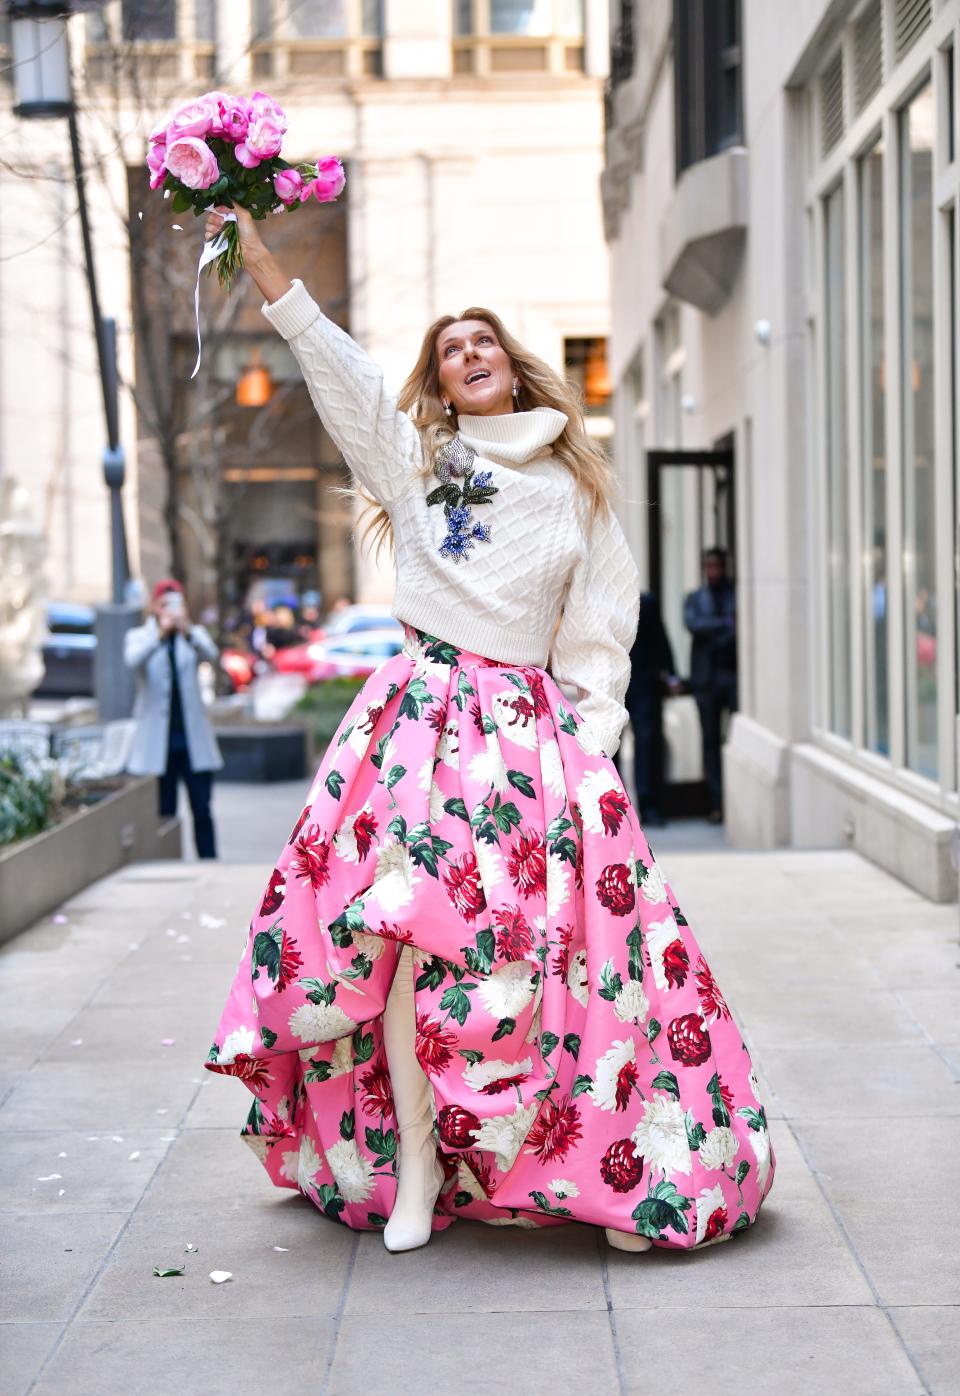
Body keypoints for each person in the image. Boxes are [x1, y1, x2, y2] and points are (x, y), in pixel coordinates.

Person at [202, 206, 774, 1256]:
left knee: (565, 957)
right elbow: (336, 367)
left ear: (511, 366)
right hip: (419, 723)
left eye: (483, 343)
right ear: (441, 380)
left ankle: (605, 1163)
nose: (467, 356)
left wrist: (591, 750)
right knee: (413, 951)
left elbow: (604, 622)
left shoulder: (573, 484)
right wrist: (260, 255)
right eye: (448, 350)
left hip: (531, 739)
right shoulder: (415, 461)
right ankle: (418, 1167)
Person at [124, 579, 223, 859]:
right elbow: (131, 661)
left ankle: (208, 861)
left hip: (193, 740)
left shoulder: (192, 635)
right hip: (158, 742)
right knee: (164, 811)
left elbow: (212, 655)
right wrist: (159, 634)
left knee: (202, 808)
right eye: (166, 603)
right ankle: (165, 860)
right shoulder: (141, 636)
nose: (172, 608)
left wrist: (186, 630)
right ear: (155, 606)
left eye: (177, 602)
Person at [684, 548, 737, 824]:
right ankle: (716, 804)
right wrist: (724, 625)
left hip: (731, 677)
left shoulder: (735, 594)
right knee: (710, 744)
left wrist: (717, 629)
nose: (713, 571)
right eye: (709, 566)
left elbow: (738, 629)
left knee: (733, 740)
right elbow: (694, 624)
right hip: (706, 682)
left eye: (717, 566)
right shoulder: (695, 599)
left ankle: (735, 803)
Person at [620, 591, 679, 826]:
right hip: (612, 686)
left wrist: (671, 673)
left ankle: (648, 806)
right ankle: (618, 809)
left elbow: (660, 639)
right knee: (611, 747)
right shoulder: (600, 603)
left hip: (643, 684)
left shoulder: (645, 603)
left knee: (645, 744)